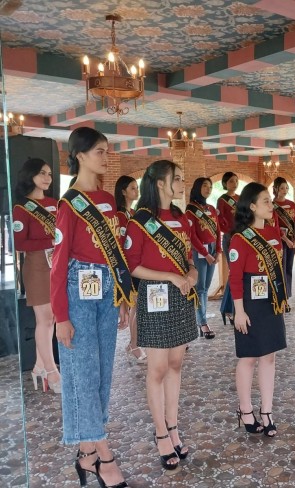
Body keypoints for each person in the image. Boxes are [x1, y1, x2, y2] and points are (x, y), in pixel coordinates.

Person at [51, 127, 134, 487]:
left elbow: (115, 254)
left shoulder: (108, 200)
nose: (105, 156)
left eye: (106, 151)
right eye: (99, 151)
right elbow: (57, 263)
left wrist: (122, 299)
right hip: (77, 289)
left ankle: (85, 456)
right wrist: (60, 317)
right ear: (80, 155)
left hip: (105, 290)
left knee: (102, 375)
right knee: (84, 375)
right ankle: (104, 456)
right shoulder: (68, 204)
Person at [124, 160, 198, 470]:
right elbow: (132, 265)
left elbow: (189, 257)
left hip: (181, 296)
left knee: (176, 364)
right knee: (156, 368)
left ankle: (173, 425)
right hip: (155, 296)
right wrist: (169, 277)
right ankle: (160, 433)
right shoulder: (140, 220)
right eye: (176, 179)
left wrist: (192, 273)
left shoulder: (181, 218)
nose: (182, 183)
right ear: (159, 184)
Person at [230, 182, 288, 436]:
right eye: (265, 201)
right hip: (250, 303)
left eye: (269, 200)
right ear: (252, 206)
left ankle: (266, 411)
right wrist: (239, 311)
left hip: (271, 300)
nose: (271, 205)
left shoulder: (274, 233)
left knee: (270, 356)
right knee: (249, 357)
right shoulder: (240, 239)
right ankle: (245, 410)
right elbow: (235, 278)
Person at [12, 158, 60, 392]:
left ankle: (40, 367)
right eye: (42, 173)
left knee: (53, 318)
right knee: (44, 319)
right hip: (37, 267)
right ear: (30, 176)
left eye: (49, 174)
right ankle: (51, 373)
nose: (47, 178)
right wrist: (50, 241)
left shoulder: (54, 203)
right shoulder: (21, 208)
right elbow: (19, 243)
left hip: (57, 265)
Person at [114, 175, 146, 363]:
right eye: (132, 188)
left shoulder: (133, 213)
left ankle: (133, 342)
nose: (136, 191)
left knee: (137, 307)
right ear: (123, 191)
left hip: (137, 264)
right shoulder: (119, 216)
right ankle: (135, 345)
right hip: (127, 266)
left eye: (137, 187)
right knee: (136, 307)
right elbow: (120, 244)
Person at [186, 177, 221, 339]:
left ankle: (202, 319)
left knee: (206, 288)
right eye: (204, 186)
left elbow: (217, 231)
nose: (208, 189)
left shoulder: (212, 209)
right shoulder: (190, 210)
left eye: (210, 186)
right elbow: (192, 236)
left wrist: (218, 251)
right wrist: (206, 254)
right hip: (200, 252)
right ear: (197, 188)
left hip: (212, 249)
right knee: (200, 289)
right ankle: (203, 322)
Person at [272, 177, 295, 300]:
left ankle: (287, 296)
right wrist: (286, 240)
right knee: (281, 269)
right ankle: (280, 296)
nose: (285, 190)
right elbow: (274, 226)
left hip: (292, 241)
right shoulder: (272, 205)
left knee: (289, 269)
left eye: (286, 188)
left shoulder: (292, 204)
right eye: (282, 188)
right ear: (276, 189)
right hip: (280, 242)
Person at [217, 172, 239, 325]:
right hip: (230, 238)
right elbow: (219, 220)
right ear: (225, 183)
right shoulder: (222, 200)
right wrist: (229, 230)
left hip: (242, 237)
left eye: (236, 181)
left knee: (238, 274)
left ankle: (230, 308)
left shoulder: (240, 199)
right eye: (231, 181)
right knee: (234, 274)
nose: (234, 183)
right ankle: (228, 308)